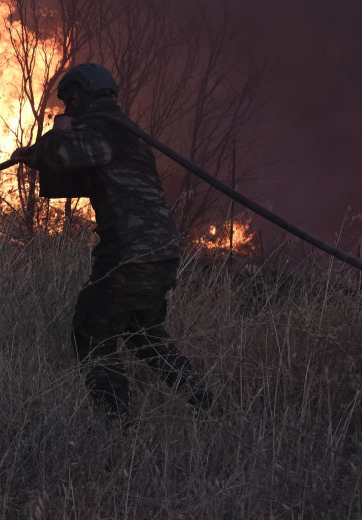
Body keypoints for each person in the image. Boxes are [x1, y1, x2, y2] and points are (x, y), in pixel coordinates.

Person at [11, 62, 217, 419]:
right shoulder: (125, 134)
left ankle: (116, 427)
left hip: (129, 255)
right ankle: (208, 407)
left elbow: (61, 153)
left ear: (79, 95)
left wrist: (57, 134)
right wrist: (36, 161)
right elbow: (86, 180)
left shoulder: (101, 128)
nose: (66, 110)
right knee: (144, 334)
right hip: (161, 254)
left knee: (91, 332)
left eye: (68, 103)